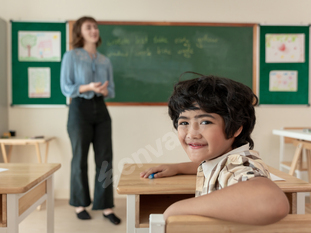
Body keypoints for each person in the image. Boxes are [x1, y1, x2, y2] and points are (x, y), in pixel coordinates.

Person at [140, 73, 290, 225]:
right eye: (184, 123)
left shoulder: (240, 165)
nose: (191, 133)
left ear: (236, 128)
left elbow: (271, 201)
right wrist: (178, 168)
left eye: (205, 122)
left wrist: (175, 209)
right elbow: (214, 166)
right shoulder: (223, 159)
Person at [60, 16, 120, 225]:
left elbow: (111, 89)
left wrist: (103, 90)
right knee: (80, 158)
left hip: (100, 109)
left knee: (105, 159)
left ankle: (106, 206)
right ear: (80, 32)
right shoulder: (71, 56)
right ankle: (80, 204)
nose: (94, 30)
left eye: (95, 27)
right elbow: (66, 87)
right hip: (79, 108)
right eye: (89, 27)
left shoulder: (105, 60)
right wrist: (89, 87)